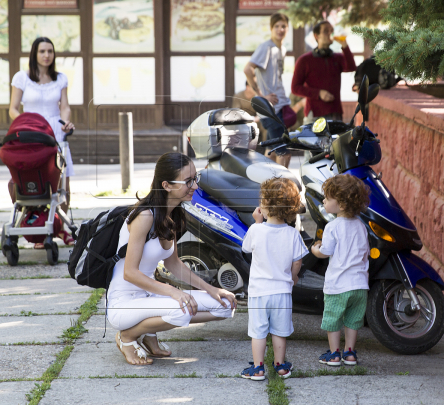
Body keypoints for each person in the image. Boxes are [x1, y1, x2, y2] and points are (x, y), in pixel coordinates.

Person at [106, 152, 237, 366]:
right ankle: (127, 337)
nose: (195, 185)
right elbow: (129, 273)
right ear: (166, 185)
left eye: (196, 178)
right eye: (188, 181)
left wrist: (212, 289)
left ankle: (149, 334)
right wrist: (173, 292)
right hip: (125, 303)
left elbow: (173, 263)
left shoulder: (174, 214)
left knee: (225, 306)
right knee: (181, 310)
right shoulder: (144, 216)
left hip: (150, 298)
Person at [9, 37, 75, 248]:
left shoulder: (61, 78)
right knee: (34, 182)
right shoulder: (22, 77)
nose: (46, 55)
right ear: (34, 54)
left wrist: (66, 122)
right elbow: (13, 108)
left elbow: (64, 106)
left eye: (50, 51)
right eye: (42, 51)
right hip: (31, 134)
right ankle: (37, 231)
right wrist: (23, 126)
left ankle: (62, 228)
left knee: (62, 183)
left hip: (55, 132)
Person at [240, 177, 308, 380]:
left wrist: (257, 222)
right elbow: (297, 262)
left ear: (266, 206)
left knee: (258, 332)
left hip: (259, 293)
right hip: (282, 293)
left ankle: (258, 368)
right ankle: (280, 366)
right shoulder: (293, 234)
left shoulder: (256, 230)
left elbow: (245, 249)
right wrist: (293, 276)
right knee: (279, 331)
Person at [310, 174, 371, 367]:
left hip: (338, 285)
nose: (324, 201)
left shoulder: (333, 226)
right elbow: (364, 253)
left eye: (327, 198)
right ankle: (350, 353)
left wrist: (315, 249)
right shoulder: (362, 226)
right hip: (360, 285)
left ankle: (335, 354)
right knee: (353, 321)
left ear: (342, 205)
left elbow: (325, 252)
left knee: (333, 320)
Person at [244, 13, 292, 168]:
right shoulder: (266, 48)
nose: (280, 29)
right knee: (284, 152)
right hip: (270, 110)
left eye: (283, 26)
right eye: (276, 26)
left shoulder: (282, 49)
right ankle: (283, 188)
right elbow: (247, 69)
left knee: (271, 152)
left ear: (287, 28)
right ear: (271, 29)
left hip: (278, 107)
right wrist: (261, 95)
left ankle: (265, 187)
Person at [291, 20, 356, 122]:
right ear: (316, 36)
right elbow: (295, 88)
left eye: (332, 30)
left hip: (336, 113)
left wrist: (344, 45)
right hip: (314, 114)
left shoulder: (337, 57)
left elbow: (352, 67)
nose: (330, 33)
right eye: (326, 31)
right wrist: (319, 93)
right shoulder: (304, 60)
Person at [231, 81, 265, 149]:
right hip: (242, 121)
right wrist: (248, 119)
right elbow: (235, 113)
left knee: (265, 125)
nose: (256, 89)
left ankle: (266, 147)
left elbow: (261, 111)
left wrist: (258, 117)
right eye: (254, 87)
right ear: (247, 87)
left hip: (255, 121)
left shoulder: (257, 97)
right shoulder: (238, 96)